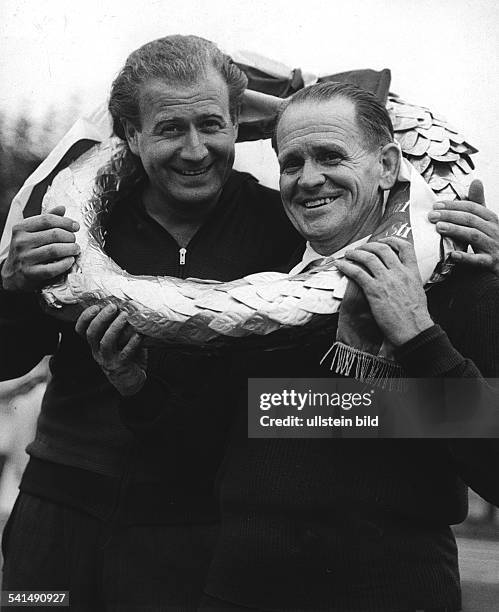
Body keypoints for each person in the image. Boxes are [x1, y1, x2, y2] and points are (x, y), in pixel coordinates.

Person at [0, 35, 302, 610]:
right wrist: (12, 289)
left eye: (212, 124)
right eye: (169, 129)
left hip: (191, 536)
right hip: (53, 522)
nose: (195, 150)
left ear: (239, 121)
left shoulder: (281, 228)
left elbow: (293, 401)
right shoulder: (71, 221)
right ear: (131, 135)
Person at [191, 83, 499, 611]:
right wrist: (135, 389)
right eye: (292, 163)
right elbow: (212, 437)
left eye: (331, 156)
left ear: (387, 165)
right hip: (240, 591)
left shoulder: (463, 284)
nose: (309, 179)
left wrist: (419, 339)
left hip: (392, 593)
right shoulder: (251, 288)